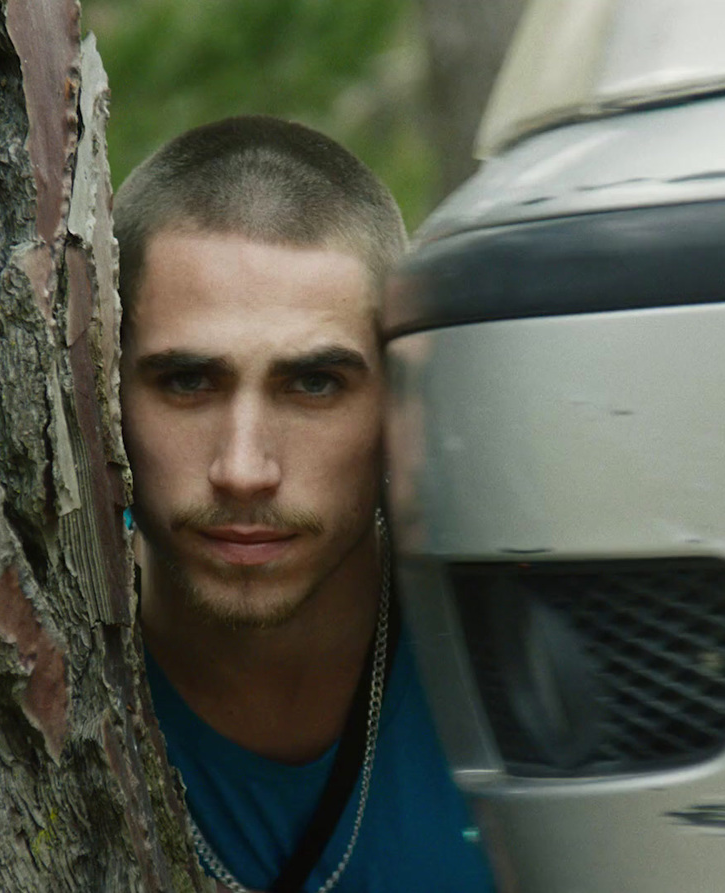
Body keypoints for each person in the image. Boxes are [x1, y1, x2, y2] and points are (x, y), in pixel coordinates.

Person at [116, 116, 496, 893]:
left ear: (398, 401)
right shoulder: (15, 655)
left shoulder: (512, 664)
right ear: (100, 387)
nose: (244, 469)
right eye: (187, 382)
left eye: (314, 384)